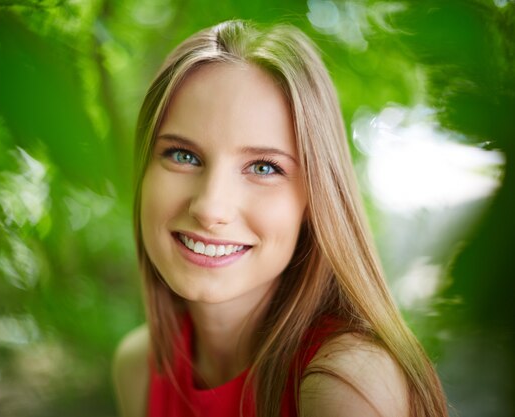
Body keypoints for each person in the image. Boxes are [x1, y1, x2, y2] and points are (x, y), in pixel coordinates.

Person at [113, 19, 448, 417]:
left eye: (264, 167)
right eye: (183, 156)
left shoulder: (345, 385)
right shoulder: (137, 368)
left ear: (315, 199)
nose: (210, 208)